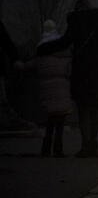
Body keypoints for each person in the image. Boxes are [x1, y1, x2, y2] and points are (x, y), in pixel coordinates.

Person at [37, 0, 98, 158]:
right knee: (94, 110)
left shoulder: (76, 23)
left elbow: (63, 43)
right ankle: (93, 143)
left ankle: (85, 145)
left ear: (77, 9)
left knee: (83, 110)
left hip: (81, 73)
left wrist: (43, 48)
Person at [29, 20, 72, 157]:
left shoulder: (42, 49)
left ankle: (46, 149)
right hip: (63, 89)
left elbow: (31, 65)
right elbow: (69, 69)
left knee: (50, 123)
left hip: (47, 90)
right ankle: (58, 150)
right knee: (60, 123)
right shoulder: (63, 52)